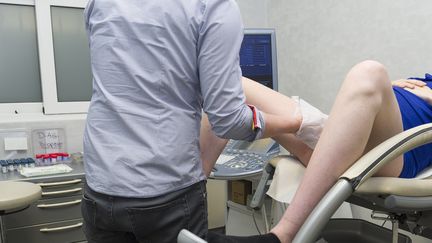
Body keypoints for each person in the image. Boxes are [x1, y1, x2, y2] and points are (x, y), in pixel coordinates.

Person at [80, 1, 304, 243]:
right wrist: (296, 123)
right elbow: (229, 121)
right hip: (163, 192)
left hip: (99, 188)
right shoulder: (212, 6)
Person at [204, 61, 432, 243]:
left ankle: (283, 235)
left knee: (370, 72)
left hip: (393, 153)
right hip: (344, 135)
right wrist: (390, 90)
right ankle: (188, 210)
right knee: (232, 83)